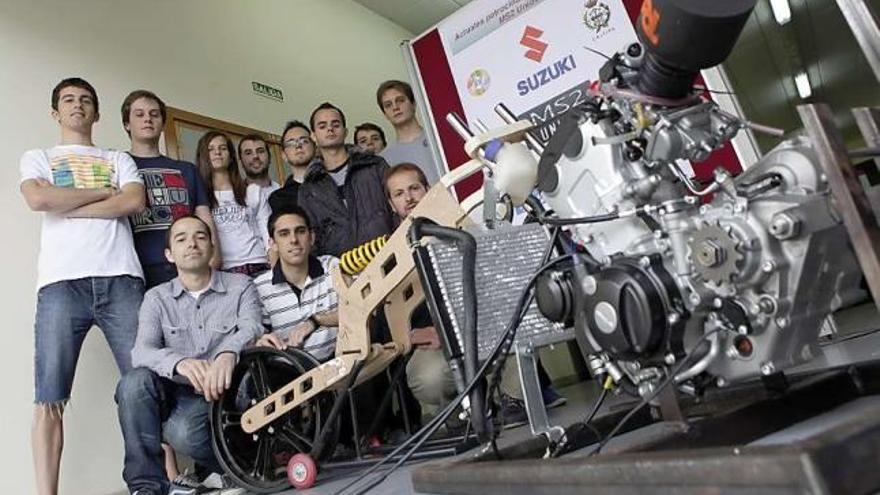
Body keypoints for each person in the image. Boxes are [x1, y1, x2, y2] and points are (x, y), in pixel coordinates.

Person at [19, 77, 146, 495]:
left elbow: (131, 201)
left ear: (97, 112)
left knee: (145, 384)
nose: (78, 105)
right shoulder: (38, 156)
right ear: (56, 112)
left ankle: (163, 480)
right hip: (60, 284)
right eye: (69, 100)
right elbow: (39, 200)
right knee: (49, 397)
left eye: (86, 100)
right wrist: (98, 193)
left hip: (121, 279)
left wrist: (67, 201)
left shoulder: (118, 158)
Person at [115, 215, 260, 495]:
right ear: (169, 254)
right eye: (181, 239)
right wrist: (179, 362)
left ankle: (233, 469)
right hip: (179, 393)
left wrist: (228, 352)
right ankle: (146, 488)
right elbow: (141, 351)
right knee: (133, 383)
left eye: (200, 236)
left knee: (186, 432)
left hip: (228, 392)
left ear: (212, 247)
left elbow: (252, 325)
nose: (191, 243)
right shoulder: (156, 298)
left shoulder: (240, 286)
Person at [122, 89, 219, 288]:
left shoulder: (186, 170)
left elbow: (204, 216)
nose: (147, 119)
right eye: (139, 114)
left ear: (163, 123)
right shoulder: (118, 165)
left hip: (186, 267)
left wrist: (214, 257)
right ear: (127, 124)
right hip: (135, 272)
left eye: (154, 114)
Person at [298, 102, 393, 256]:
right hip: (344, 270)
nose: (330, 129)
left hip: (389, 255)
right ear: (313, 136)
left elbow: (396, 206)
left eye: (335, 124)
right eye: (322, 126)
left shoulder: (374, 166)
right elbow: (311, 239)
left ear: (345, 131)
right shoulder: (308, 189)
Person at [254, 206, 339, 362]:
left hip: (336, 365)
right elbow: (258, 339)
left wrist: (316, 321)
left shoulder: (332, 267)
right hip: (287, 375)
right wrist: (261, 344)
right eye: (284, 234)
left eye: (300, 231)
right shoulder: (260, 288)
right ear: (273, 244)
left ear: (311, 237)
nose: (293, 240)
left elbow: (361, 309)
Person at [195, 131, 271, 276]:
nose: (217, 152)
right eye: (210, 149)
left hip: (258, 264)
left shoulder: (253, 191)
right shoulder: (200, 198)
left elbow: (268, 233)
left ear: (231, 157)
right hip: (225, 271)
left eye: (223, 148)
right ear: (203, 157)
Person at [376, 80, 441, 185]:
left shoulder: (438, 139)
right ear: (385, 114)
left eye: (400, 100)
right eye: (388, 105)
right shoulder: (384, 159)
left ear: (413, 104)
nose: (395, 107)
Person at [267, 121, 314, 213]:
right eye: (291, 143)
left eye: (304, 141)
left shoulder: (331, 183)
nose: (298, 146)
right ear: (284, 155)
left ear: (315, 148)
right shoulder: (278, 198)